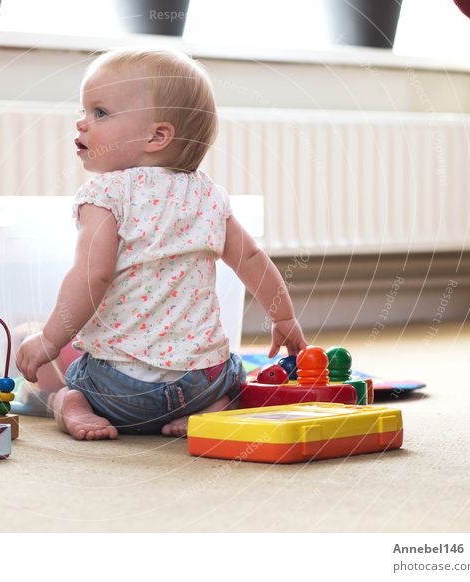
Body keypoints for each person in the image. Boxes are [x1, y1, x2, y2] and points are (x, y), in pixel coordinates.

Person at [15, 47, 307, 440]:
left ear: (157, 135)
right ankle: (215, 407)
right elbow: (251, 259)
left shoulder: (104, 194)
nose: (83, 123)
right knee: (233, 368)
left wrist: (50, 339)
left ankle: (71, 403)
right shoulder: (208, 195)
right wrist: (283, 317)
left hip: (118, 391)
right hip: (201, 383)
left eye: (99, 113)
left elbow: (92, 275)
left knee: (54, 370)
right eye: (84, 111)